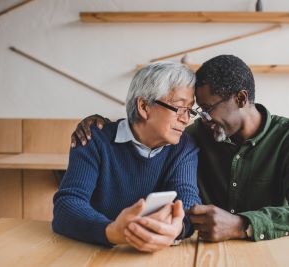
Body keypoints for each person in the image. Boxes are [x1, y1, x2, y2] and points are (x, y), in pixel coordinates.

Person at [71, 55, 289, 243]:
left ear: (241, 99)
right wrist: (99, 125)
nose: (195, 119)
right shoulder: (193, 136)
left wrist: (243, 224)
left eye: (205, 109)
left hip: (270, 252)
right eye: (195, 110)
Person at [52, 61, 201, 252]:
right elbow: (67, 205)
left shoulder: (184, 146)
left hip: (155, 254)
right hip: (93, 251)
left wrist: (177, 229)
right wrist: (111, 231)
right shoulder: (94, 139)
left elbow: (188, 202)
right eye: (179, 108)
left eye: (189, 110)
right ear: (144, 106)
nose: (186, 119)